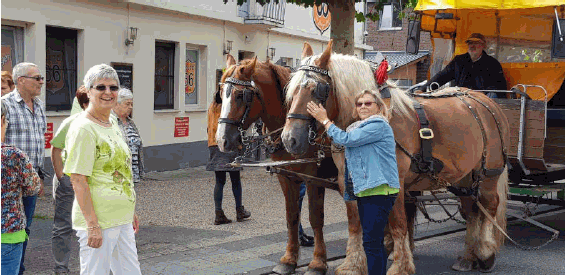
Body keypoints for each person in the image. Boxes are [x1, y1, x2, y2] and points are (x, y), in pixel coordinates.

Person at [307, 90, 400, 275]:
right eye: (359, 104)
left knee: (371, 243)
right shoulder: (359, 127)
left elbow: (346, 140)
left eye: (368, 103)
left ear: (379, 107)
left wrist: (324, 120)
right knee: (372, 242)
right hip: (367, 191)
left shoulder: (378, 125)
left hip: (380, 191)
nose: (363, 106)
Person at [64, 64, 141, 274]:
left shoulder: (113, 123)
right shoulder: (83, 128)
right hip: (99, 220)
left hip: (121, 217)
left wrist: (130, 210)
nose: (108, 93)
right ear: (88, 91)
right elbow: (78, 179)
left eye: (113, 88)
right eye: (101, 87)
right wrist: (92, 225)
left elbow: (121, 171)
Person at [2, 62, 47, 275]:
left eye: (41, 78)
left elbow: (40, 142)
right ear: (21, 80)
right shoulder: (5, 105)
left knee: (25, 228)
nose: (41, 82)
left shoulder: (39, 105)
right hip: (9, 185)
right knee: (9, 229)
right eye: (36, 78)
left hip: (31, 181)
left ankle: (17, 267)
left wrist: (40, 176)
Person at [50, 85, 89, 275]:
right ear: (84, 104)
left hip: (91, 182)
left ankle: (92, 267)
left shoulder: (108, 122)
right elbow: (56, 149)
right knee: (63, 226)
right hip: (69, 180)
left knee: (92, 224)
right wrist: (61, 177)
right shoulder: (72, 122)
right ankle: (61, 269)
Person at [206, 100, 251, 225]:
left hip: (214, 144)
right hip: (228, 144)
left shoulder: (212, 105)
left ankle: (218, 213)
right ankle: (239, 210)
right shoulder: (228, 105)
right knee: (235, 179)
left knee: (220, 181)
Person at [426, 33, 507, 98]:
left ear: (483, 46)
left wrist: (483, 93)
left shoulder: (492, 63)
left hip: (483, 100)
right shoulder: (458, 61)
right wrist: (424, 88)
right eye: (470, 43)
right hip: (462, 98)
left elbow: (499, 85)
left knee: (493, 95)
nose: (472, 46)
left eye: (476, 43)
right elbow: (442, 76)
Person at [113, 88, 144, 184]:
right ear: (116, 104)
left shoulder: (131, 123)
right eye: (127, 104)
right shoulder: (110, 123)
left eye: (131, 104)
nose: (130, 107)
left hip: (133, 174)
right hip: (118, 176)